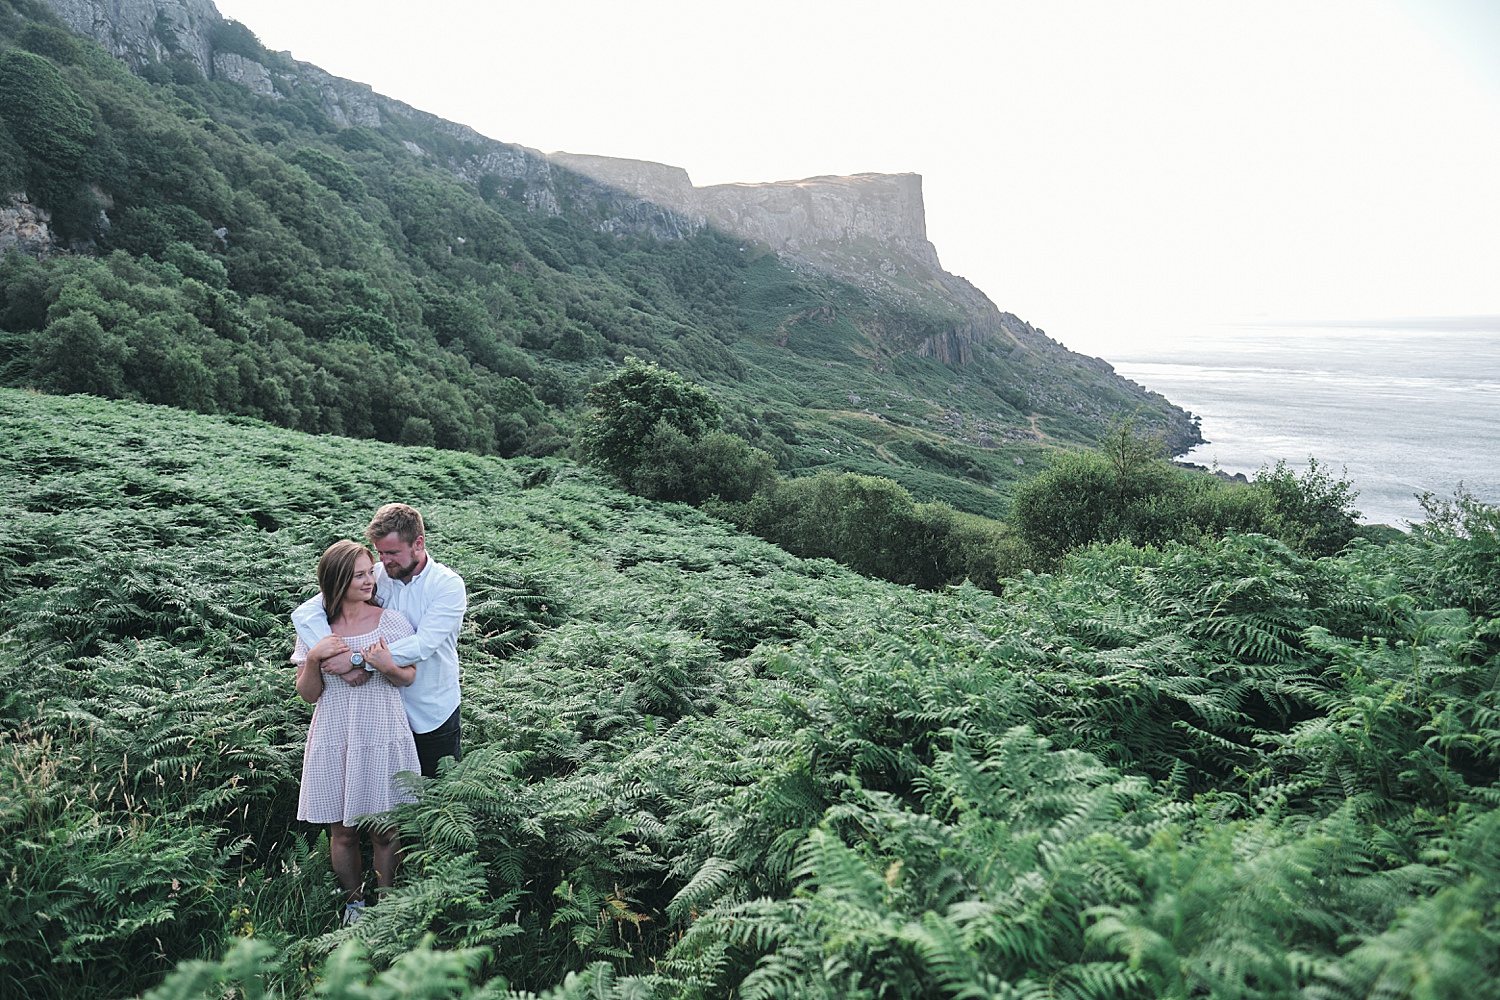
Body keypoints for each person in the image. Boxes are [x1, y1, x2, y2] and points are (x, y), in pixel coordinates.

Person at [292, 539, 420, 927]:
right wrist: (315, 657)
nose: (370, 581)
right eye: (359, 575)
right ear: (337, 580)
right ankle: (354, 905)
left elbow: (408, 678)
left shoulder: (391, 621)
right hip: (335, 734)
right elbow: (308, 694)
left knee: (385, 831)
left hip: (382, 732)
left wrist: (378, 662)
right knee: (343, 832)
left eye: (370, 572)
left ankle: (386, 907)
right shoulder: (317, 629)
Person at [294, 503, 467, 779]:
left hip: (430, 710)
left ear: (418, 543)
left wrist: (355, 659)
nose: (384, 561)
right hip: (380, 716)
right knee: (386, 804)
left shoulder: (447, 585)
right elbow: (306, 613)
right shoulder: (373, 575)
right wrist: (327, 654)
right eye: (380, 552)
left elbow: (423, 645)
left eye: (393, 553)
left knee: (436, 799)